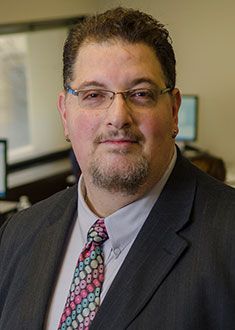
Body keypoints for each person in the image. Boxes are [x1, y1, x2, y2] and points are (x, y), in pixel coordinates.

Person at [0, 7, 235, 330]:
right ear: (65, 113)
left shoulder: (228, 241)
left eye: (140, 94)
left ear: (174, 110)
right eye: (94, 95)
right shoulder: (18, 234)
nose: (118, 117)